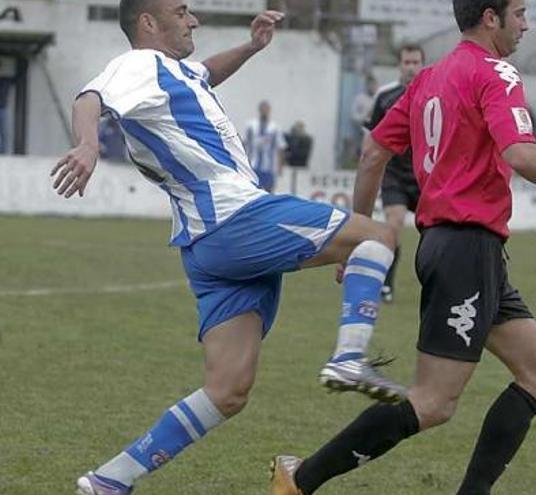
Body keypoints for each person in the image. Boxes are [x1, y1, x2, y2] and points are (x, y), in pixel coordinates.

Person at [52, 2, 405, 494]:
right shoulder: (136, 65)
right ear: (148, 24)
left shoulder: (172, 74)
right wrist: (88, 144)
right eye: (181, 11)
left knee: (227, 391)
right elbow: (89, 98)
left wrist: (252, 47)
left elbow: (205, 73)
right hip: (235, 218)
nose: (192, 20)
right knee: (380, 235)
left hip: (207, 246)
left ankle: (111, 479)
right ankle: (349, 355)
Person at [269, 1, 536, 494]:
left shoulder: (428, 78)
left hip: (466, 250)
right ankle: (300, 480)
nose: (526, 23)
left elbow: (371, 155)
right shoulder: (496, 72)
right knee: (432, 403)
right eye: (518, 12)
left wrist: (355, 239)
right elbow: (519, 151)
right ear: (490, 17)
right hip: (465, 250)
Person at [364, 43, 425, 303]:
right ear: (400, 65)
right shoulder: (385, 96)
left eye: (415, 62)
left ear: (423, 64)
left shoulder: (435, 91)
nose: (411, 68)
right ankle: (386, 284)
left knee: (438, 232)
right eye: (407, 62)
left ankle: (439, 284)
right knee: (393, 224)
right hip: (395, 174)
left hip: (426, 174)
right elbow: (372, 137)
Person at [244, 100, 285, 192]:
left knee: (268, 192)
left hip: (268, 168)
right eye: (262, 109)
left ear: (269, 110)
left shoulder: (274, 127)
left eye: (266, 109)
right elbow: (244, 143)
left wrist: (280, 167)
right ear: (259, 110)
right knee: (252, 192)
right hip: (253, 166)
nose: (264, 111)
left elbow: (281, 148)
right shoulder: (251, 126)